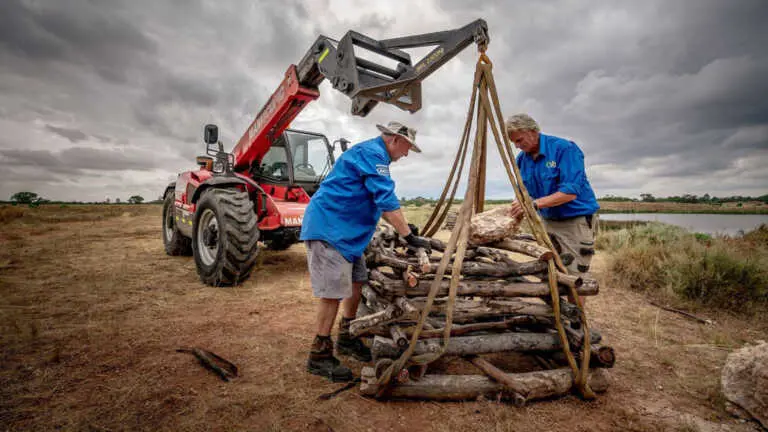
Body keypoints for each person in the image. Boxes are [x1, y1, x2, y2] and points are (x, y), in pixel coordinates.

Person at [299, 121, 432, 382]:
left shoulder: (372, 155)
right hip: (330, 230)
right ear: (395, 139)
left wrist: (403, 226)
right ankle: (319, 354)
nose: (406, 154)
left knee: (357, 281)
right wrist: (409, 236)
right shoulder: (372, 154)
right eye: (406, 148)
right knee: (332, 293)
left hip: (347, 236)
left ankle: (347, 337)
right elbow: (385, 198)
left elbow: (374, 200)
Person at [506, 113, 599, 281]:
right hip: (548, 222)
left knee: (574, 275)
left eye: (519, 140)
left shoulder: (564, 149)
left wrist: (533, 205)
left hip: (574, 222)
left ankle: (576, 308)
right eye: (514, 143)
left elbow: (570, 191)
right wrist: (516, 206)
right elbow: (522, 192)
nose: (517, 146)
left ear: (532, 131)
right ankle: (557, 307)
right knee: (550, 271)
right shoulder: (522, 159)